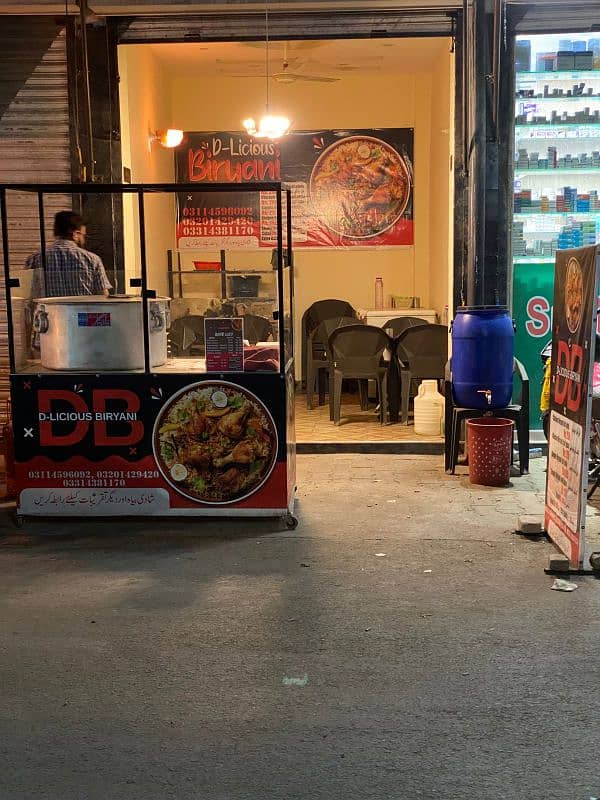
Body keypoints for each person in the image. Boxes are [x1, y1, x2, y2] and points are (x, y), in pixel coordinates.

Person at [26, 211, 112, 297]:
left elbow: (28, 295)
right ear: (75, 234)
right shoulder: (92, 259)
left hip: (49, 310)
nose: (84, 239)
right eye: (83, 235)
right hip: (83, 310)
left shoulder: (35, 258)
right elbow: (103, 296)